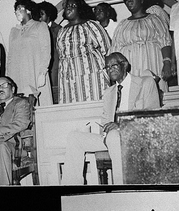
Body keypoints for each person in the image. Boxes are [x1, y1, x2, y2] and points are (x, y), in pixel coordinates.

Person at [61, 52, 160, 185]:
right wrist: (107, 129)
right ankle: (70, 189)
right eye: (107, 68)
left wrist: (121, 126)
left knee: (113, 135)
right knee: (74, 137)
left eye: (113, 65)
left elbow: (152, 117)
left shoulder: (145, 82)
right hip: (111, 137)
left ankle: (121, 188)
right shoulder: (109, 92)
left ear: (124, 65)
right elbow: (105, 121)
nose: (110, 70)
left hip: (135, 136)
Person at [110, 0, 172, 93]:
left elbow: (165, 41)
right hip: (132, 68)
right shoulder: (122, 25)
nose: (129, 0)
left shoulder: (154, 19)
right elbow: (115, 50)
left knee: (155, 96)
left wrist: (167, 63)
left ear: (142, 0)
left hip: (153, 63)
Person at [56, 0, 111, 104]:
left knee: (93, 103)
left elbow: (107, 47)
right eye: (67, 6)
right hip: (68, 76)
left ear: (80, 9)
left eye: (73, 6)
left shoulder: (91, 25)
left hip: (91, 72)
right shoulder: (61, 30)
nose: (69, 8)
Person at [7, 0, 53, 106]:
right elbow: (10, 57)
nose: (17, 12)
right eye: (15, 10)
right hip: (17, 75)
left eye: (20, 8)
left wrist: (43, 72)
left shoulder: (40, 26)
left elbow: (46, 50)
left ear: (28, 10)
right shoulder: (14, 31)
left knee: (37, 106)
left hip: (35, 72)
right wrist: (8, 79)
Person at [38, 1, 62, 104]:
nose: (39, 18)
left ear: (49, 15)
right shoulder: (36, 30)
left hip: (55, 74)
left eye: (42, 14)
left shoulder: (58, 30)